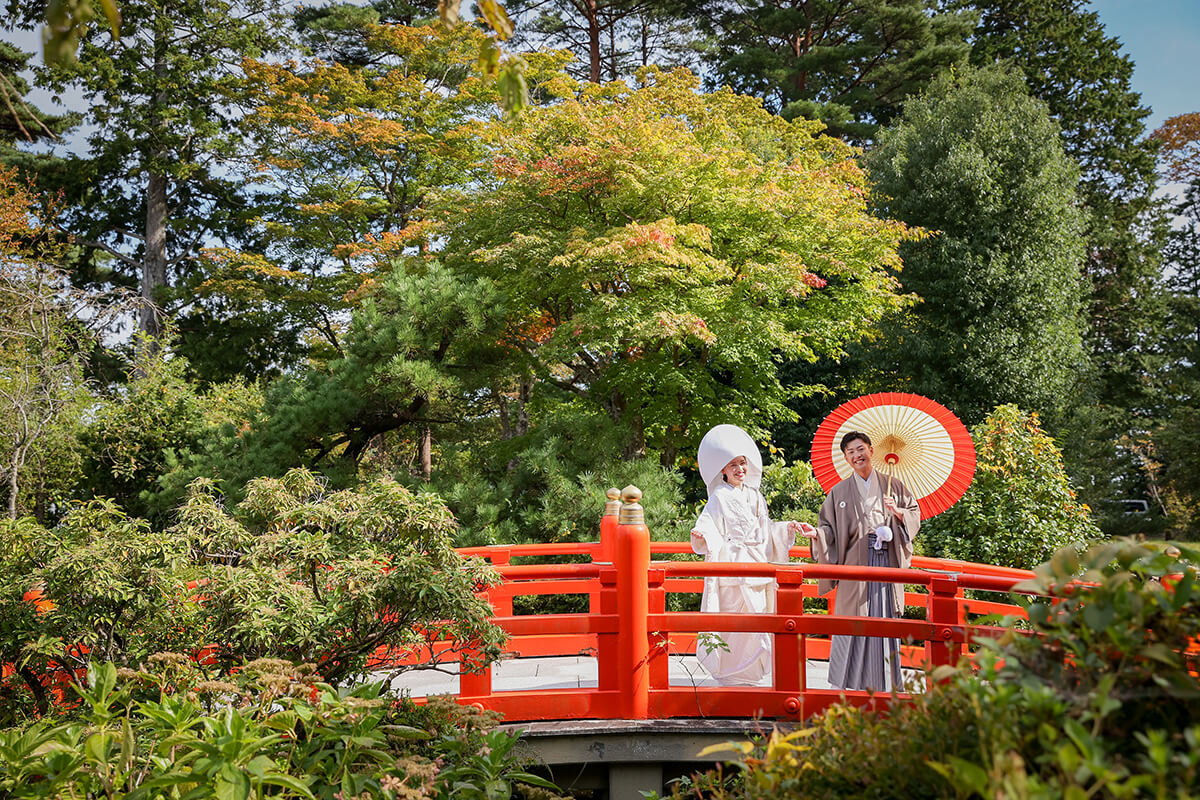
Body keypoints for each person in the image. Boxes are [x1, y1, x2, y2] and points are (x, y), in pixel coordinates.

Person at [796, 430, 920, 692]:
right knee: (852, 619)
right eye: (850, 452)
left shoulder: (893, 485)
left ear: (871, 451)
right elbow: (828, 528)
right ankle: (847, 683)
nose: (857, 456)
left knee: (884, 618)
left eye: (860, 449)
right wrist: (816, 534)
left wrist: (897, 513)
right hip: (854, 565)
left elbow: (913, 513)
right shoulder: (839, 492)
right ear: (846, 458)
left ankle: (885, 682)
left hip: (886, 561)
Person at [689, 424, 813, 686]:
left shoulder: (757, 496)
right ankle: (730, 674)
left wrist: (785, 529)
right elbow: (710, 525)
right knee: (733, 621)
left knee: (757, 621)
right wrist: (704, 536)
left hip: (757, 565)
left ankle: (750, 674)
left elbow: (765, 531)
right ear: (723, 470)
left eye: (742, 463)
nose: (739, 469)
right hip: (732, 567)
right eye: (733, 464)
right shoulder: (719, 497)